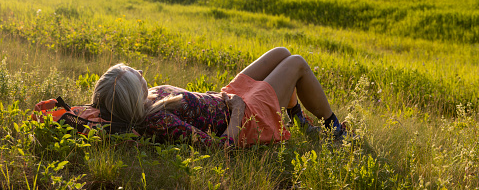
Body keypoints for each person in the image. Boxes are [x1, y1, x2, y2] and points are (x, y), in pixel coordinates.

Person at [91, 47, 346, 147]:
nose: (141, 71)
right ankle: (335, 129)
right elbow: (222, 149)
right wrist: (237, 109)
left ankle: (298, 119)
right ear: (133, 96)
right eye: (136, 76)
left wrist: (229, 99)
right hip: (244, 114)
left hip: (227, 97)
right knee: (297, 64)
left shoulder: (139, 102)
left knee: (282, 53)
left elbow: (102, 101)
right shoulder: (159, 121)